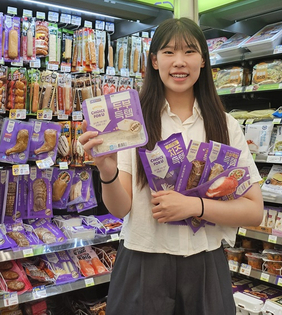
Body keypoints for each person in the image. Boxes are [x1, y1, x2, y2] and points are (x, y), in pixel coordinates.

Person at [79, 17, 264, 315]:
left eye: (189, 51)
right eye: (168, 52)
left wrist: (195, 207)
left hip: (205, 263)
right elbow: (120, 208)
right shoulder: (132, 122)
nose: (179, 62)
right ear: (154, 61)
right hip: (142, 261)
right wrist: (107, 171)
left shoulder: (225, 125)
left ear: (203, 60)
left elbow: (254, 210)